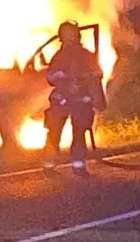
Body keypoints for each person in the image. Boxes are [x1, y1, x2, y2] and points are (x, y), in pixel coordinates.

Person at [42, 21, 107, 176]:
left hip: (80, 101)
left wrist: (97, 98)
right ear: (61, 38)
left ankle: (78, 165)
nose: (68, 38)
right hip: (61, 100)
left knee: (79, 133)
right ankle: (49, 164)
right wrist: (63, 78)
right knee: (54, 132)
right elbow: (50, 77)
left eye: (71, 34)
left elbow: (97, 75)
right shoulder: (58, 57)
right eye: (65, 35)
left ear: (77, 35)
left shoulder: (86, 56)